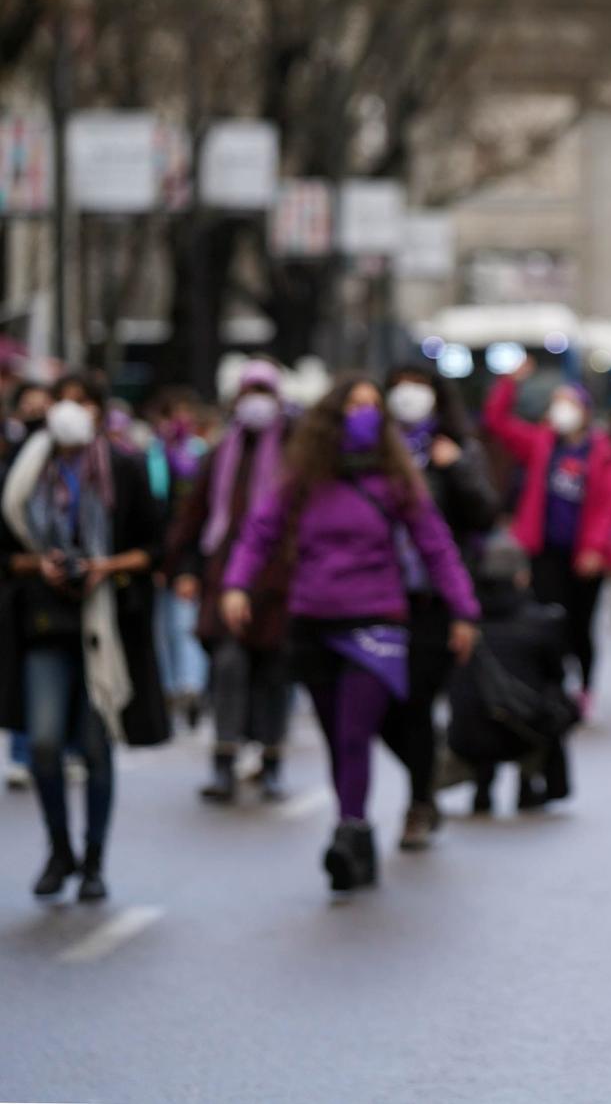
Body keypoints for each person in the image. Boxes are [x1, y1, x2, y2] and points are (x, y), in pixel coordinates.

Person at [222, 378, 480, 893]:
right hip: (313, 620)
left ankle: (349, 828)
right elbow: (260, 532)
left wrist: (464, 611)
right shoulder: (302, 478)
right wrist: (236, 584)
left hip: (377, 622)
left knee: (355, 730)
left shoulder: (398, 480)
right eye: (354, 405)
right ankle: (355, 828)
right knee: (336, 737)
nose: (364, 414)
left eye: (372, 406)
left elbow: (437, 546)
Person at [0, 372, 169, 901]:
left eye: (80, 403)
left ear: (99, 411)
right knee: (45, 745)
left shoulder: (124, 467)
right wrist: (36, 564)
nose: (68, 412)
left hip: (106, 628)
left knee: (96, 749)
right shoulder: (23, 470)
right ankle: (59, 849)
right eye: (61, 402)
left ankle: (94, 860)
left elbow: (156, 546)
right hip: (43, 624)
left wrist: (105, 565)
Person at [166, 361, 295, 804]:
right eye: (249, 392)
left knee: (276, 673)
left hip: (280, 583)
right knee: (228, 667)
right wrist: (185, 568)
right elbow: (194, 515)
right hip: (226, 579)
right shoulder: (222, 452)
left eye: (264, 391)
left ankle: (272, 761)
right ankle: (223, 761)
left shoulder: (296, 454)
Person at [382, 363, 499, 849]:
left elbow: (484, 513)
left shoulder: (455, 448)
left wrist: (456, 469)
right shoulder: (371, 453)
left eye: (420, 387)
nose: (409, 396)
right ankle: (430, 775)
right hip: (378, 596)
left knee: (419, 702)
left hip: (435, 597)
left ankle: (419, 801)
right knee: (385, 708)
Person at [483, 358, 611, 718]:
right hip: (545, 552)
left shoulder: (602, 452)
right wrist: (509, 384)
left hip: (584, 557)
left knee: (581, 625)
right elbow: (496, 422)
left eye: (568, 401)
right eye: (556, 401)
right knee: (548, 622)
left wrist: (595, 548)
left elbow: (609, 505)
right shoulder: (541, 445)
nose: (561, 409)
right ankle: (553, 688)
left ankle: (585, 688)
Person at [448, 537, 576, 815]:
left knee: (481, 700)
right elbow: (557, 676)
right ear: (521, 576)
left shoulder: (461, 625)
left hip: (466, 737)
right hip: (522, 730)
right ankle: (529, 781)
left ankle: (483, 787)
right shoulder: (543, 621)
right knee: (549, 703)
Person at [145, 386, 210, 729]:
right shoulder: (150, 455)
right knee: (163, 626)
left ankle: (191, 687)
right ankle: (168, 687)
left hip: (190, 555)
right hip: (158, 553)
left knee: (185, 623)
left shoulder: (201, 455)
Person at [4, 379, 52, 792]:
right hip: (21, 587)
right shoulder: (11, 460)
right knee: (21, 670)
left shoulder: (80, 463)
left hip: (70, 591)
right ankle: (22, 752)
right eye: (30, 407)